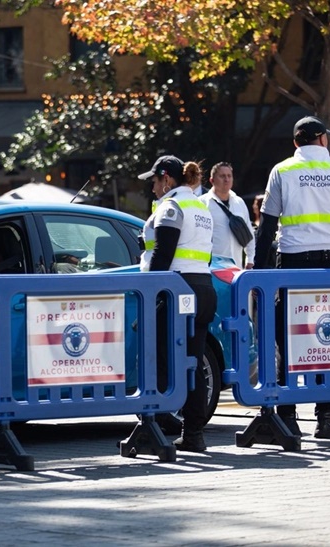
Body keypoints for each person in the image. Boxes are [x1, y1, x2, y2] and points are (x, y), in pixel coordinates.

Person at [254, 115, 330, 439]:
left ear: (296, 143)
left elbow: (266, 228)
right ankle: (326, 419)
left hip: (294, 263)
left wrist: (258, 273)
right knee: (326, 338)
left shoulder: (283, 171)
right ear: (322, 140)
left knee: (289, 338)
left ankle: (288, 418)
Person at [138, 155, 216, 452]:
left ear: (167, 179)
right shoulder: (200, 206)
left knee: (159, 359)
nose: (153, 189)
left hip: (174, 290)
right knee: (192, 363)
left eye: (154, 182)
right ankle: (193, 434)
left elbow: (162, 255)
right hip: (202, 288)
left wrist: (149, 293)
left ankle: (154, 429)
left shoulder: (171, 206)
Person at [199, 162, 255, 269]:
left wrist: (250, 259)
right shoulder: (202, 203)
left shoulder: (239, 202)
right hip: (212, 268)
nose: (226, 179)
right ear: (212, 180)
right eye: (222, 176)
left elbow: (249, 235)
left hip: (236, 268)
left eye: (229, 176)